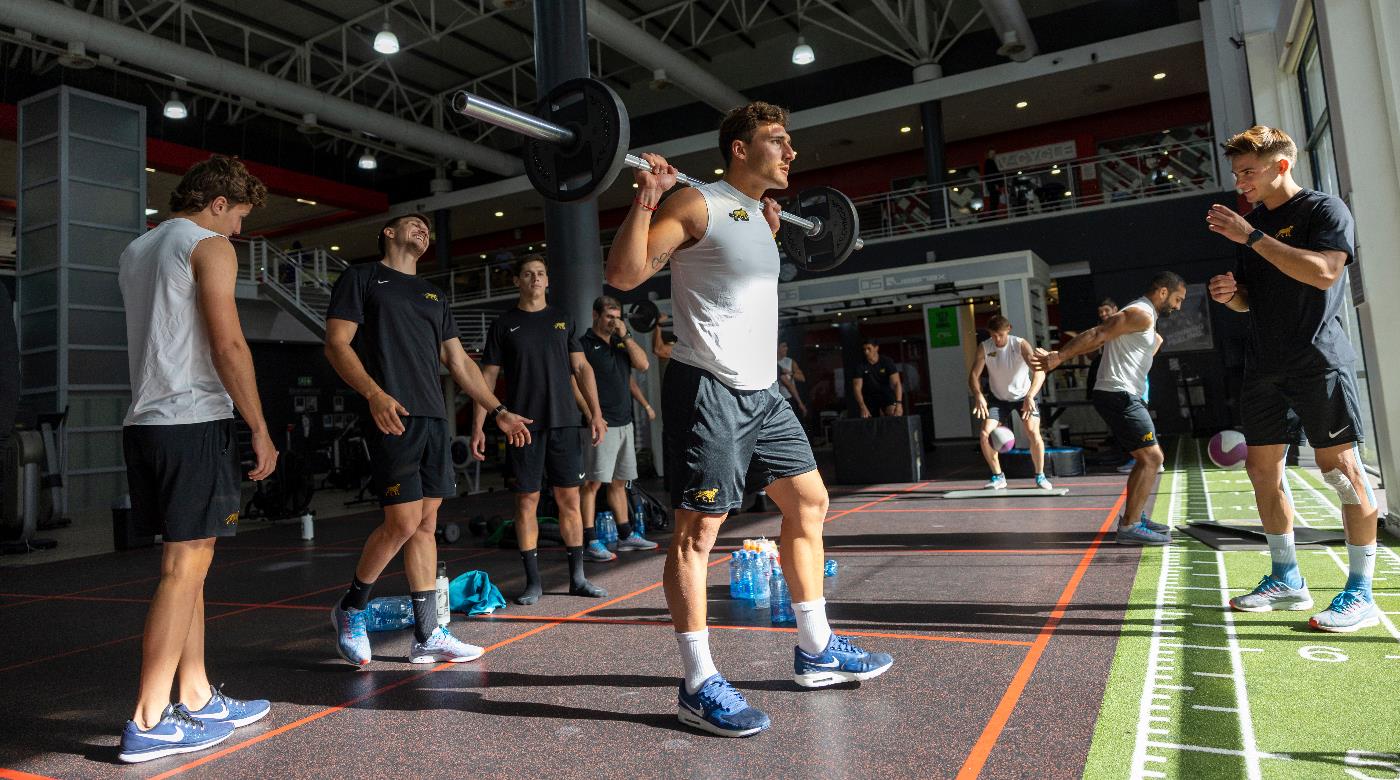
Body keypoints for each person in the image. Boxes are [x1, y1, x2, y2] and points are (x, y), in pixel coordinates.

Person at [606, 101, 893, 738]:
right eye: (778, 141)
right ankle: (698, 681)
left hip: (764, 394)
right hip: (710, 389)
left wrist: (761, 223)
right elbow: (624, 274)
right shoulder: (696, 202)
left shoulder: (759, 217)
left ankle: (815, 649)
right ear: (740, 148)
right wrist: (649, 197)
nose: (791, 154)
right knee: (697, 535)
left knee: (809, 502)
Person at [116, 157, 277, 762]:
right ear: (217, 202)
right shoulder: (208, 244)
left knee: (192, 564)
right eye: (238, 214)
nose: (238, 229)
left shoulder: (138, 249)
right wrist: (259, 426)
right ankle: (148, 719)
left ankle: (198, 695)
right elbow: (228, 341)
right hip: (193, 420)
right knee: (184, 568)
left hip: (147, 424)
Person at [326, 214, 532, 668]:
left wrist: (497, 410)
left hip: (433, 417)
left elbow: (458, 362)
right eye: (412, 224)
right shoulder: (362, 277)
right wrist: (374, 394)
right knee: (400, 522)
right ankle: (351, 608)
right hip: (391, 413)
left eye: (427, 227)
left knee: (425, 524)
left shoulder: (434, 294)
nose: (422, 230)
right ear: (388, 232)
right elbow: (337, 344)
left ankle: (427, 633)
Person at [1206, 126, 1379, 633]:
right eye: (1237, 173)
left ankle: (1361, 592)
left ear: (1281, 165)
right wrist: (1229, 295)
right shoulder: (1252, 222)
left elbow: (1325, 272)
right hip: (1264, 364)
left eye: (1249, 172)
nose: (1240, 182)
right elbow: (1251, 300)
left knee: (1341, 471)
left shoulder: (1324, 211)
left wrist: (1252, 238)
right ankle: (1286, 579)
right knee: (1263, 471)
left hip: (1317, 359)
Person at [472, 256, 608, 605]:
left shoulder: (562, 320)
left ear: (548, 280)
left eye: (541, 273)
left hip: (563, 422)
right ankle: (532, 582)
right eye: (529, 274)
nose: (535, 278)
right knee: (526, 502)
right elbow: (484, 380)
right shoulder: (504, 325)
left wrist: (595, 413)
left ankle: (578, 578)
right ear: (517, 280)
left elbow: (582, 369)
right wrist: (479, 427)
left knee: (569, 501)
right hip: (522, 427)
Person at [1032, 272, 1186, 545]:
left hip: (1126, 394)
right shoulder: (1141, 313)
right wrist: (1060, 356)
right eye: (1177, 299)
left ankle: (1135, 516)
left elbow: (1131, 345)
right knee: (1152, 459)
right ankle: (1130, 526)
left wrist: (1152, 344)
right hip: (1118, 393)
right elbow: (1098, 333)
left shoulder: (1146, 318)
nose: (1178, 305)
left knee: (1148, 459)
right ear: (1163, 292)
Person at [578, 295, 658, 562]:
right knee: (593, 482)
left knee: (620, 481)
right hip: (601, 424)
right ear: (596, 315)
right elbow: (575, 385)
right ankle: (590, 540)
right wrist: (593, 416)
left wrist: (627, 335)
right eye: (609, 317)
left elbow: (643, 366)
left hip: (624, 422)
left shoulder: (621, 343)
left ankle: (626, 536)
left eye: (617, 317)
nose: (614, 321)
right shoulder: (584, 345)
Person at [968, 314, 1051, 490]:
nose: (997, 339)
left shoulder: (1020, 344)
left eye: (1000, 335)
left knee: (1032, 431)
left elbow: (1040, 372)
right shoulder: (985, 347)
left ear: (1008, 330)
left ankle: (1040, 476)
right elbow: (974, 375)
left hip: (1023, 396)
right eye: (993, 335)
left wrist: (1030, 396)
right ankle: (998, 477)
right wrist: (978, 394)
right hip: (998, 399)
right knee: (984, 434)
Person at [853, 340, 903, 418]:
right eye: (864, 349)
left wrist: (899, 403)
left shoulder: (887, 361)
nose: (866, 352)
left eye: (869, 349)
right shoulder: (860, 365)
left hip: (886, 395)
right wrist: (862, 407)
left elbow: (896, 383)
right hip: (869, 398)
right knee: (867, 418)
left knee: (895, 413)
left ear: (876, 348)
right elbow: (857, 388)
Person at [776, 340, 808, 420]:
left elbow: (802, 378)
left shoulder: (789, 361)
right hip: (778, 399)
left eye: (786, 347)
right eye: (784, 346)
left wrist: (790, 372)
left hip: (790, 397)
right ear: (777, 348)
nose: (786, 349)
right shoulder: (773, 363)